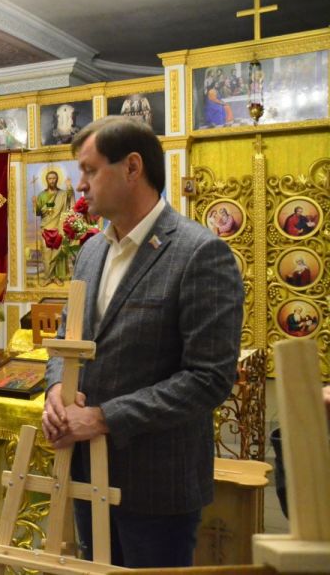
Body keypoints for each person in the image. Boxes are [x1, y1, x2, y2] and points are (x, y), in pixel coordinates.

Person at [42, 116, 243, 568]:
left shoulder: (198, 253)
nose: (80, 185)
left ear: (132, 167)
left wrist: (103, 417)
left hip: (156, 483)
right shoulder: (91, 251)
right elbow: (65, 338)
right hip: (87, 469)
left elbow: (208, 379)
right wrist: (56, 387)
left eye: (90, 170)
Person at [33, 169, 75, 281]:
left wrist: (69, 187)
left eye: (54, 178)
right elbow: (38, 212)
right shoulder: (42, 195)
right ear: (46, 180)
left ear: (57, 179)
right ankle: (48, 277)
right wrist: (35, 204)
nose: (52, 180)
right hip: (46, 228)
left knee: (58, 253)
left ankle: (57, 277)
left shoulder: (62, 194)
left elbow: (70, 198)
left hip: (59, 227)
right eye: (50, 178)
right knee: (46, 253)